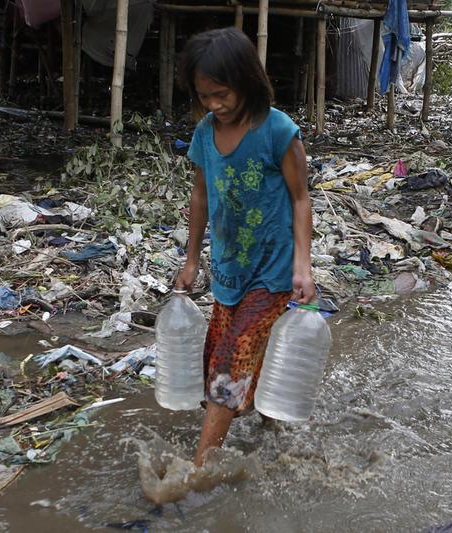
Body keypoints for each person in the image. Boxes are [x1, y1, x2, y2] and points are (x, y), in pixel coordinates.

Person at [175, 27, 315, 466]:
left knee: (229, 358)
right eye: (205, 97)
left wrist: (303, 266)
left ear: (247, 80)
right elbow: (199, 195)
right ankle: (269, 423)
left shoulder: (278, 131)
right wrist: (192, 260)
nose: (214, 105)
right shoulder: (204, 133)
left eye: (221, 94)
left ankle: (200, 467)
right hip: (228, 270)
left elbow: (300, 198)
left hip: (272, 272)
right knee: (222, 353)